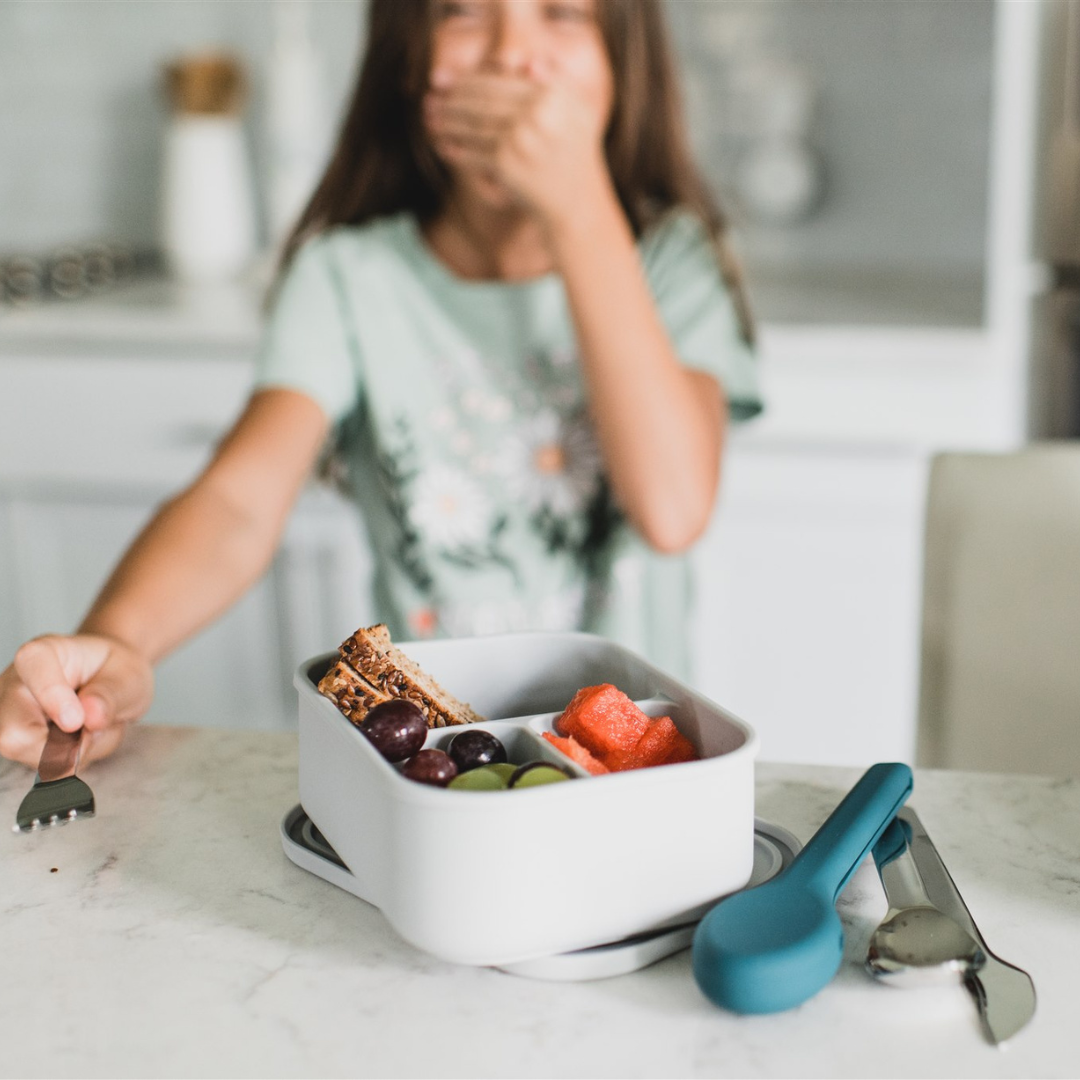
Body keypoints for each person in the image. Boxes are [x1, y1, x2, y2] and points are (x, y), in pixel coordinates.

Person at [0, 0, 761, 769]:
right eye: (463, 11)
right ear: (406, 58)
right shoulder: (347, 277)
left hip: (638, 777)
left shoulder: (672, 264)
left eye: (561, 12)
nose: (511, 53)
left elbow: (672, 511)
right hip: (439, 768)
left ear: (624, 65)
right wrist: (120, 643)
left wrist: (580, 211)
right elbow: (238, 501)